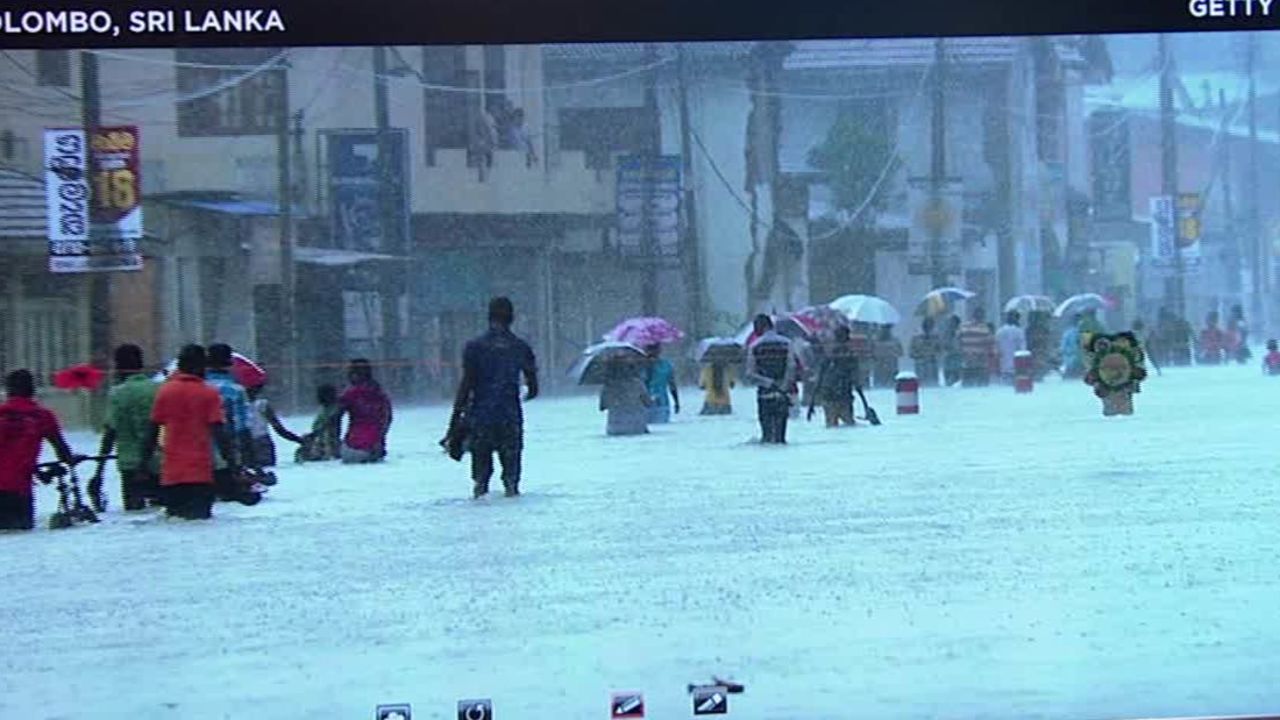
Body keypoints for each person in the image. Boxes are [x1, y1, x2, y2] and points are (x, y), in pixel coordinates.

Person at [450, 297, 539, 498]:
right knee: (511, 480)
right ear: (512, 318)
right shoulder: (520, 347)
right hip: (509, 417)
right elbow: (533, 389)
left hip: (481, 417)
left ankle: (482, 496)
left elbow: (466, 386)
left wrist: (454, 421)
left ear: (489, 316)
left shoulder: (474, 347)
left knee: (481, 480)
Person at [141, 345, 239, 520]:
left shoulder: (165, 391)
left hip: (171, 474)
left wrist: (142, 464)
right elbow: (219, 432)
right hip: (200, 473)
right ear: (201, 366)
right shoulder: (209, 393)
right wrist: (232, 465)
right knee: (200, 522)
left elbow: (152, 430)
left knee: (174, 520)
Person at [0, 370, 80, 531]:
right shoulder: (42, 416)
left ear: (8, 391)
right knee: (20, 537)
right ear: (32, 390)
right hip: (19, 487)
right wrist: (72, 459)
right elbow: (63, 452)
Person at [92, 344, 161, 512]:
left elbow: (110, 432)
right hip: (159, 462)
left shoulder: (117, 394)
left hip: (130, 465)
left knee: (135, 512)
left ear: (118, 366)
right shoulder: (158, 389)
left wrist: (99, 471)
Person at [205, 344, 259, 502]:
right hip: (228, 455)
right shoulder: (236, 390)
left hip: (198, 455)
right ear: (230, 362)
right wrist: (253, 463)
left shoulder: (198, 388)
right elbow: (243, 429)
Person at [744, 314, 799, 444]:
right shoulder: (787, 343)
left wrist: (768, 382)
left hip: (765, 395)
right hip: (782, 395)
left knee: (767, 438)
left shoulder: (755, 346)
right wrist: (784, 385)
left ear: (759, 327)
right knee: (781, 439)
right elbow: (792, 367)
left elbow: (750, 373)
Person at [336, 359, 394, 464]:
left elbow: (335, 416)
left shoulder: (350, 394)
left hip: (352, 449)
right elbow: (388, 419)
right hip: (374, 448)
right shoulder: (380, 393)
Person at [245, 383, 304, 478]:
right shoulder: (263, 405)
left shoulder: (235, 403)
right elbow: (279, 429)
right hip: (262, 444)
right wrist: (300, 440)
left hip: (244, 445)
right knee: (268, 473)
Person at [808, 325, 859, 427]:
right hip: (843, 395)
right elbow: (856, 379)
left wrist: (812, 403)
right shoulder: (850, 355)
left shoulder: (829, 354)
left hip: (830, 395)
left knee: (831, 425)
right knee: (849, 424)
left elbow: (819, 378)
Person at [600, 357, 651, 435]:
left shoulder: (608, 386)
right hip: (636, 426)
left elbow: (602, 407)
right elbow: (648, 403)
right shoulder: (637, 384)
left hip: (615, 427)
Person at [297, 384, 342, 462]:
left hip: (328, 439)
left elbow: (328, 424)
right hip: (320, 438)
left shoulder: (335, 408)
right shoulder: (323, 408)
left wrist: (315, 435)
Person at [959, 308, 995, 387]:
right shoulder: (985, 328)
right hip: (980, 363)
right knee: (982, 387)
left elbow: (959, 341)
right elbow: (990, 345)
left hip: (968, 362)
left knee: (967, 388)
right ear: (982, 317)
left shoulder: (964, 326)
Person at [644, 344, 680, 424]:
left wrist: (676, 402)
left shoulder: (666, 364)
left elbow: (672, 384)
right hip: (651, 400)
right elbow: (672, 385)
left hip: (658, 400)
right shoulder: (642, 364)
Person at [995, 311, 1029, 383]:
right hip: (1015, 365)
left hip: (1003, 364)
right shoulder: (1019, 331)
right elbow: (1023, 347)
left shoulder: (1000, 331)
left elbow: (996, 345)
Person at [908, 317, 940, 387]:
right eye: (928, 324)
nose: (929, 326)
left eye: (931, 325)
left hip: (931, 362)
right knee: (921, 382)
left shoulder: (935, 336)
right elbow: (911, 350)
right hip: (920, 362)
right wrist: (918, 355)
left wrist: (934, 354)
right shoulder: (916, 336)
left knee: (932, 382)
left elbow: (939, 349)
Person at [941, 315, 964, 387]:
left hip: (957, 356)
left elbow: (962, 343)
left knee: (956, 375)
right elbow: (943, 343)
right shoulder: (946, 332)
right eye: (950, 322)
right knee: (947, 373)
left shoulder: (961, 332)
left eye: (952, 322)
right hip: (948, 356)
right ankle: (948, 384)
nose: (951, 324)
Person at [1060, 314, 1085, 379]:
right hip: (1072, 356)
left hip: (1075, 356)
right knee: (1071, 371)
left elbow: (1063, 346)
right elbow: (1063, 346)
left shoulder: (1078, 331)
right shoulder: (1070, 332)